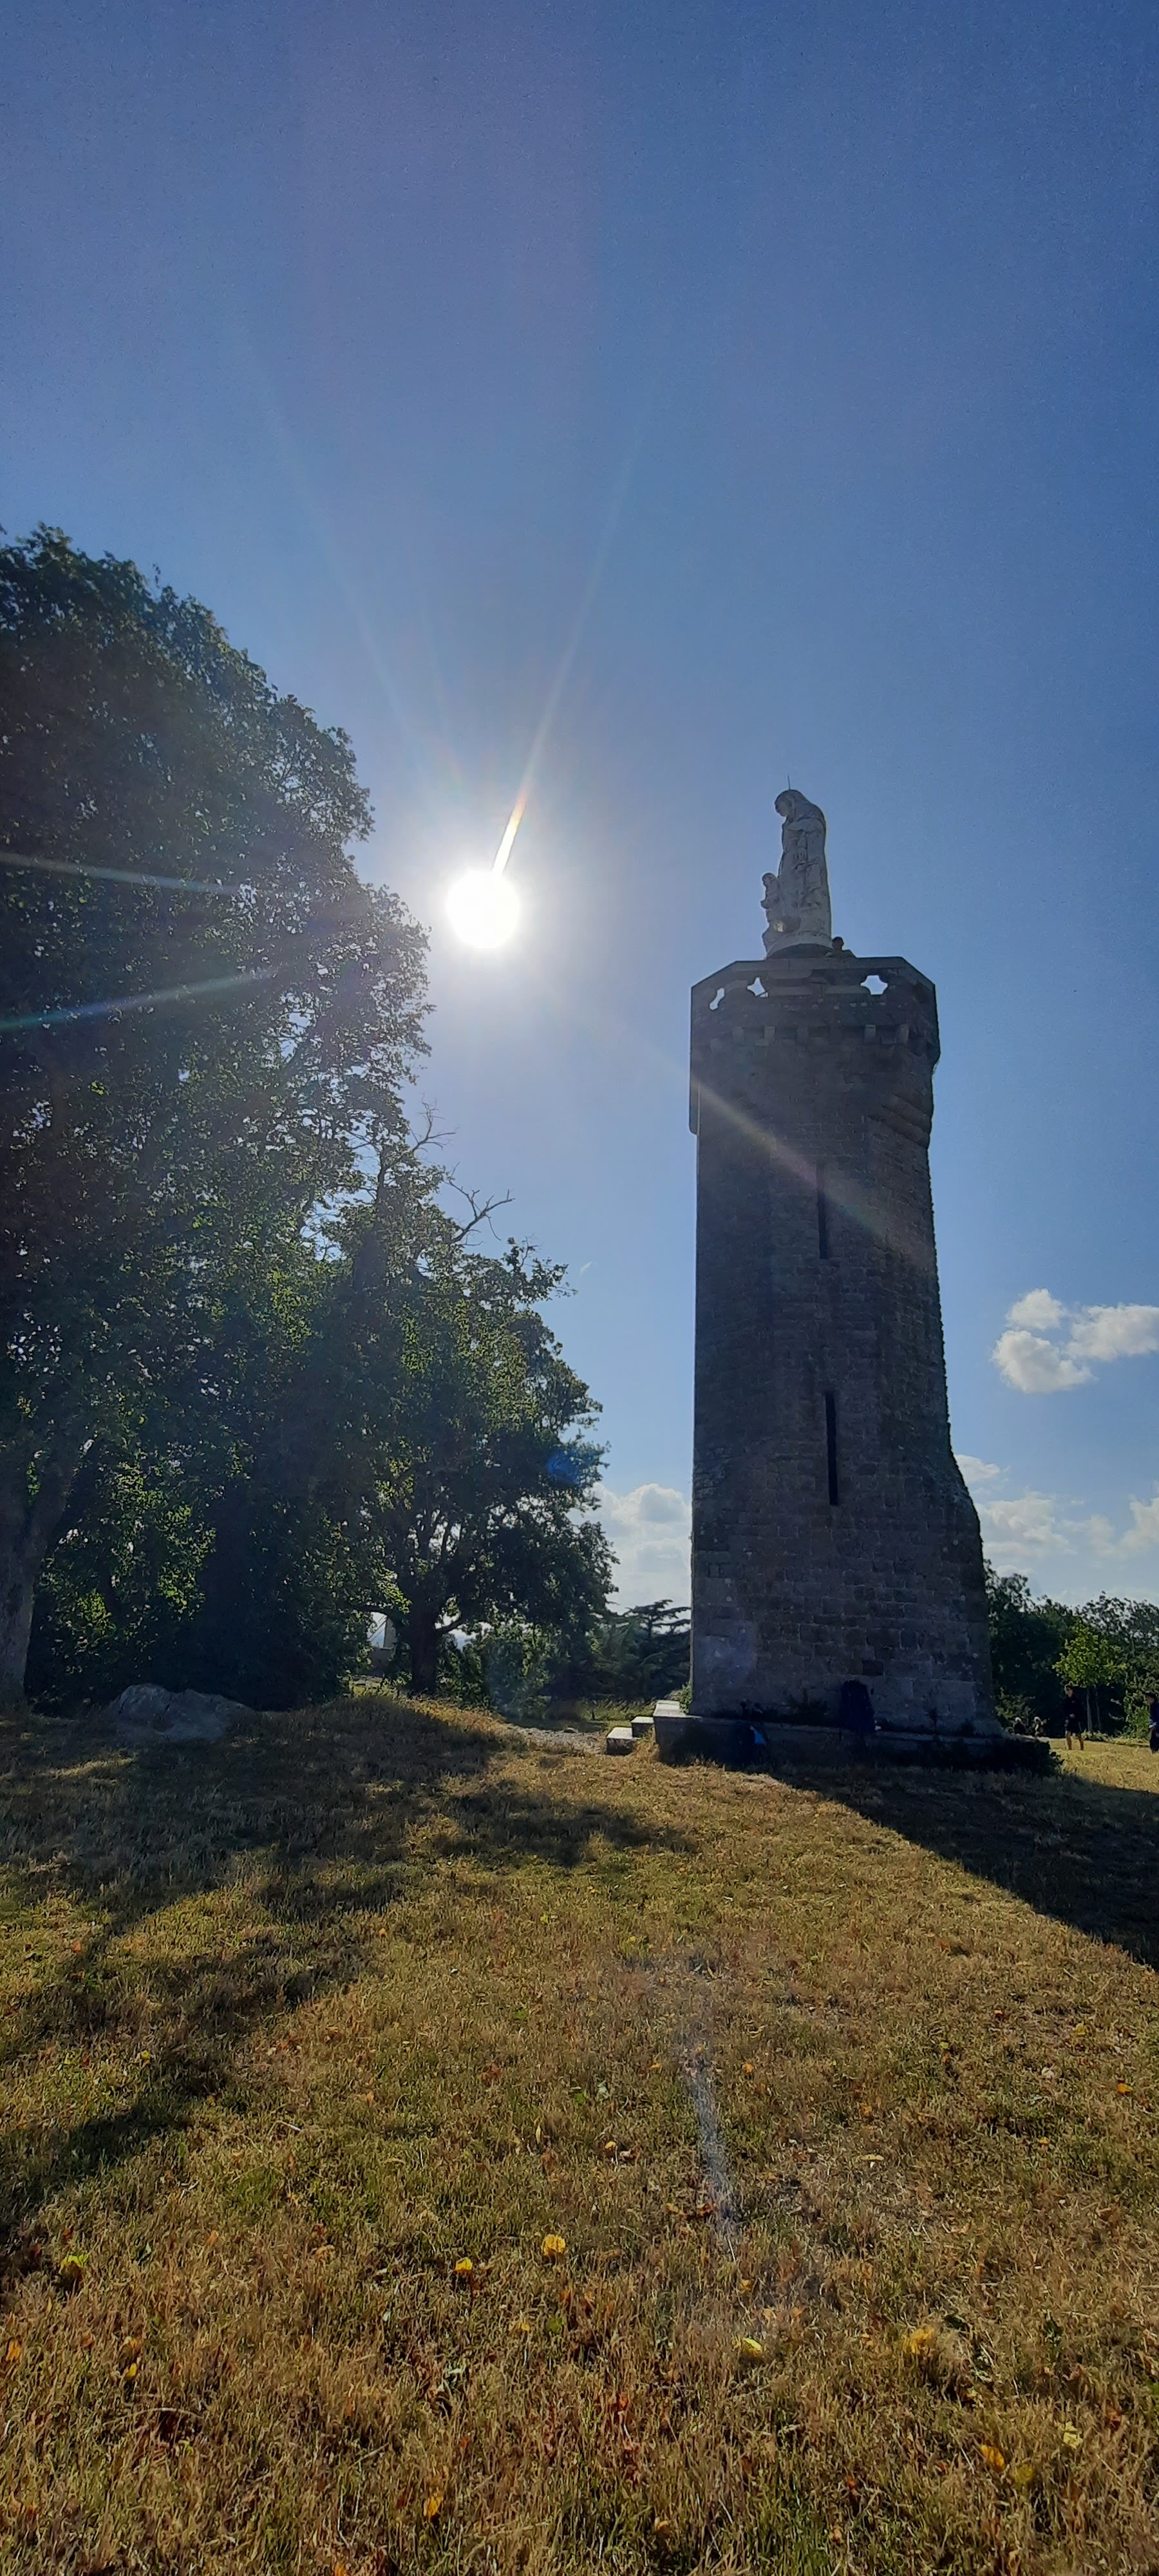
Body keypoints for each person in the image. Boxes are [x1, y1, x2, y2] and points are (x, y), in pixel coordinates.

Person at [1064, 1683, 1086, 1750]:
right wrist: (1069, 1715)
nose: (1067, 1691)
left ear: (1072, 1690)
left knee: (1079, 1735)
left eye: (1068, 1690)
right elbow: (1064, 1710)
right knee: (1067, 1734)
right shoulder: (1065, 1700)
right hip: (1069, 1719)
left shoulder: (1076, 1699)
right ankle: (1070, 1749)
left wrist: (1076, 1716)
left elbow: (1080, 1709)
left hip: (1076, 1720)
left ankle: (1082, 1748)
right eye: (1066, 1690)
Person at [1147, 1691, 1159, 1755]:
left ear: (1153, 1699)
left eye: (1148, 1698)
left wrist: (1154, 1726)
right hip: (1155, 1730)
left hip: (1157, 1729)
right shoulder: (1153, 1707)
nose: (1147, 1700)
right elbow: (1152, 1719)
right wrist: (1151, 1725)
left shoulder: (1157, 1707)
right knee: (1153, 1743)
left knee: (1155, 1744)